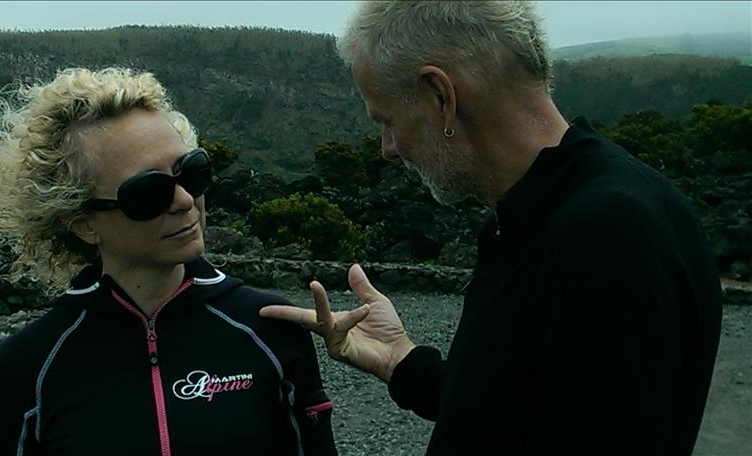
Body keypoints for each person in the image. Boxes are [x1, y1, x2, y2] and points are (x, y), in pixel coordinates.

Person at [260, 1, 723, 455]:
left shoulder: (607, 234)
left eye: (387, 121)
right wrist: (400, 358)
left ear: (441, 97)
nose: (388, 147)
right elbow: (523, 410)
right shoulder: (546, 212)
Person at [0, 67, 337, 455]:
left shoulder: (272, 330)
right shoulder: (28, 366)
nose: (185, 201)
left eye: (191, 172)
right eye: (148, 191)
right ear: (83, 224)